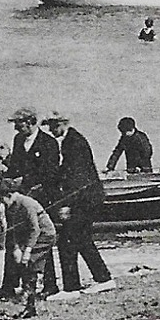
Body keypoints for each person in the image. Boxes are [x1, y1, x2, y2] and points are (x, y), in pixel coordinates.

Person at [43, 113, 115, 300]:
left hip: (84, 199)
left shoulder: (73, 143)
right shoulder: (73, 140)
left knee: (68, 239)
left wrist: (67, 204)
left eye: (52, 126)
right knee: (81, 239)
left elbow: (76, 178)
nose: (50, 130)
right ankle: (103, 279)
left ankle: (72, 288)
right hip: (89, 197)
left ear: (61, 124)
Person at [0, 177, 57, 319]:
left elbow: (35, 229)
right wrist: (17, 248)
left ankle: (30, 304)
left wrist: (27, 251)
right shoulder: (12, 206)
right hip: (30, 236)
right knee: (25, 265)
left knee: (29, 265)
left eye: (2, 199)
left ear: (9, 195)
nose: (2, 203)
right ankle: (30, 301)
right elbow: (15, 229)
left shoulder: (26, 203)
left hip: (44, 235)